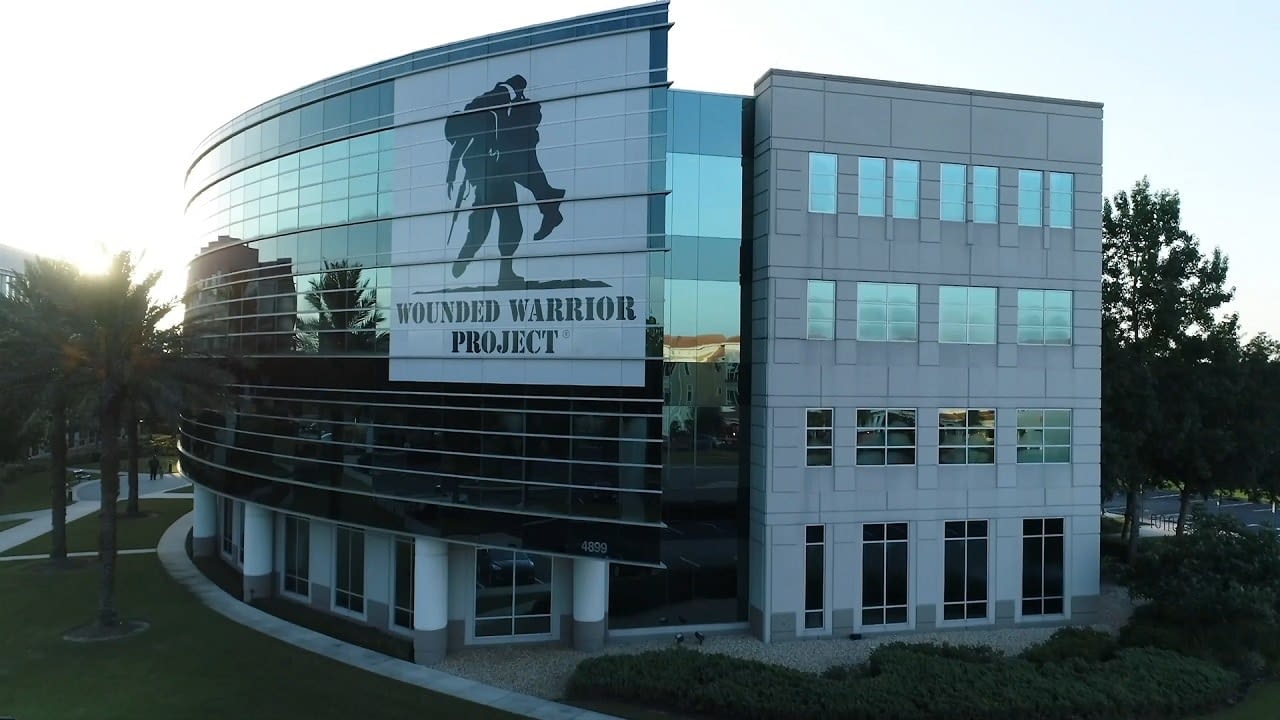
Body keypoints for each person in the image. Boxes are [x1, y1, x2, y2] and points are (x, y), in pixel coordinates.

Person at [444, 75, 565, 287]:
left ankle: (499, 269)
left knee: (508, 224)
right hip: (491, 177)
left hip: (499, 174)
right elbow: (459, 148)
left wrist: (452, 175)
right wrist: (451, 175)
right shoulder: (479, 114)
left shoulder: (483, 109)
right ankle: (474, 256)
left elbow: (460, 147)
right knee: (498, 222)